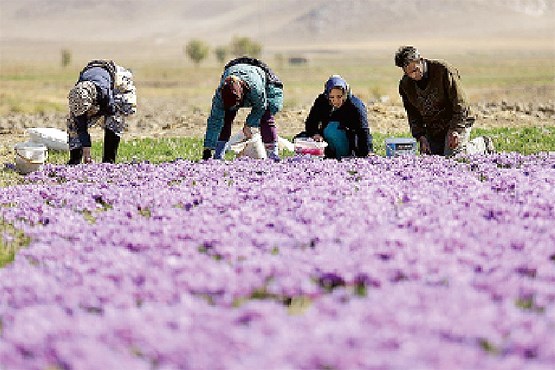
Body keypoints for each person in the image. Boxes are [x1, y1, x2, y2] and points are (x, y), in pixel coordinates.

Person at [395, 46, 494, 156]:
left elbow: (460, 104)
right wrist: (421, 137)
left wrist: (456, 129)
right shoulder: (405, 85)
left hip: (456, 121)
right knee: (430, 156)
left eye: (415, 70)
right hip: (434, 128)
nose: (413, 76)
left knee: (453, 156)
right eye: (408, 73)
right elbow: (413, 115)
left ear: (420, 60)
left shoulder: (443, 70)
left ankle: (483, 144)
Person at [202, 57, 283, 160]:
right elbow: (215, 120)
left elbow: (260, 107)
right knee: (225, 118)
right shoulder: (220, 95)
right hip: (237, 70)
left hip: (265, 81)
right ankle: (218, 156)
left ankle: (273, 155)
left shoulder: (255, 88)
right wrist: (208, 149)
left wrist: (249, 125)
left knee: (266, 117)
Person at [67, 60, 136, 165]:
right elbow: (81, 127)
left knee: (115, 118)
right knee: (73, 124)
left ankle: (108, 161)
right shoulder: (77, 97)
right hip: (92, 85)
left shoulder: (103, 92)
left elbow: (111, 110)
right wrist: (87, 152)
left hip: (115, 77)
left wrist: (98, 114)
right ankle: (74, 161)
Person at [299, 75, 373, 159]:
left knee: (332, 129)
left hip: (348, 141)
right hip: (324, 141)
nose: (336, 101)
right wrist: (315, 134)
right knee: (300, 139)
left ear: (345, 94)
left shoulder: (355, 106)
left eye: (339, 96)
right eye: (332, 97)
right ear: (327, 94)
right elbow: (311, 122)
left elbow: (363, 131)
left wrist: (366, 153)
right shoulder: (321, 101)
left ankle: (340, 158)